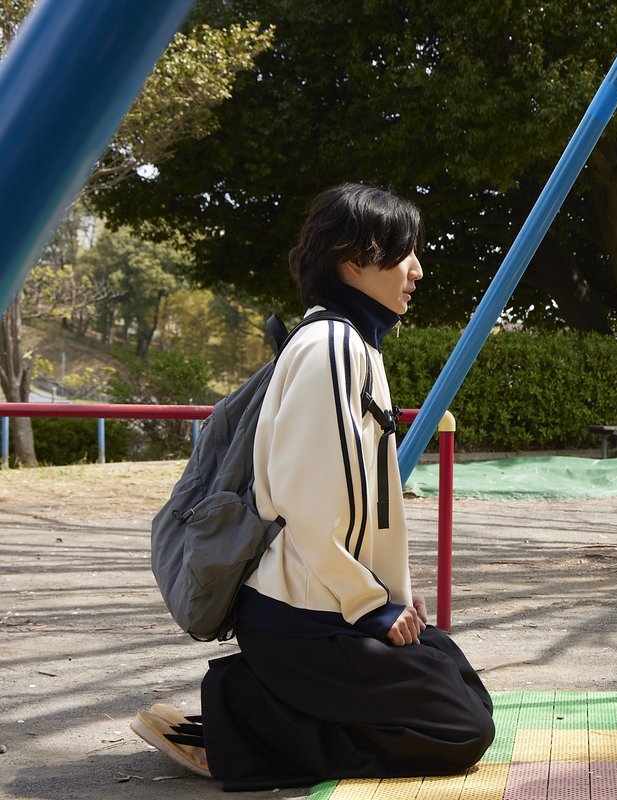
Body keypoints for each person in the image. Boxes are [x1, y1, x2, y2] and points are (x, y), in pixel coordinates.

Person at [130, 183, 495, 790]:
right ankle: (238, 717)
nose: (418, 270)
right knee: (459, 731)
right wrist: (372, 605)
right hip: (300, 616)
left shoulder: (355, 344)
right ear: (354, 259)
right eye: (404, 253)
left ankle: (269, 701)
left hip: (326, 606)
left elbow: (365, 507)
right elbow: (308, 506)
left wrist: (396, 593)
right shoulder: (330, 346)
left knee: (457, 683)